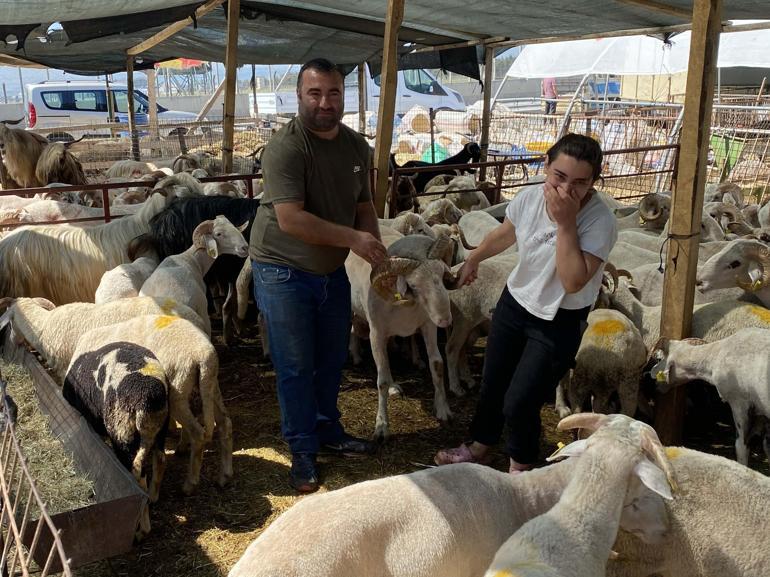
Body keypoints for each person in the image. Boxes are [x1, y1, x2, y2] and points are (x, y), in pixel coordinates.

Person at [434, 133, 617, 474]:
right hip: (516, 301)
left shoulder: (599, 220)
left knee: (522, 401)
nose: (565, 191)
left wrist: (565, 223)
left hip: (559, 318)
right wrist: (474, 258)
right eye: (559, 177)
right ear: (545, 166)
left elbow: (573, 280)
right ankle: (481, 445)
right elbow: (507, 232)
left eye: (579, 183)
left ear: (594, 182)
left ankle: (521, 471)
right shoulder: (531, 197)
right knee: (493, 382)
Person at [250, 58, 388, 493]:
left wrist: (375, 247)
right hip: (282, 268)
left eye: (333, 93)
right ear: (299, 97)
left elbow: (364, 204)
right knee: (295, 363)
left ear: (343, 96)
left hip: (330, 270)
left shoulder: (355, 146)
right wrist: (353, 240)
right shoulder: (286, 148)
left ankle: (329, 429)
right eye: (315, 93)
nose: (325, 102)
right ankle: (303, 448)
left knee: (331, 358)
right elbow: (291, 219)